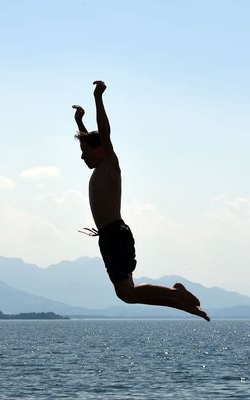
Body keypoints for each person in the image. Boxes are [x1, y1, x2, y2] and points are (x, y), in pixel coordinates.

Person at [73, 80, 209, 321]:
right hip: (109, 236)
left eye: (85, 152)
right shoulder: (99, 169)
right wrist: (79, 121)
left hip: (115, 234)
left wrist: (98, 97)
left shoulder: (110, 165)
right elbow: (92, 139)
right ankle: (181, 300)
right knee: (127, 294)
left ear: (101, 149)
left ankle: (179, 297)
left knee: (127, 293)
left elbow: (104, 132)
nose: (82, 157)